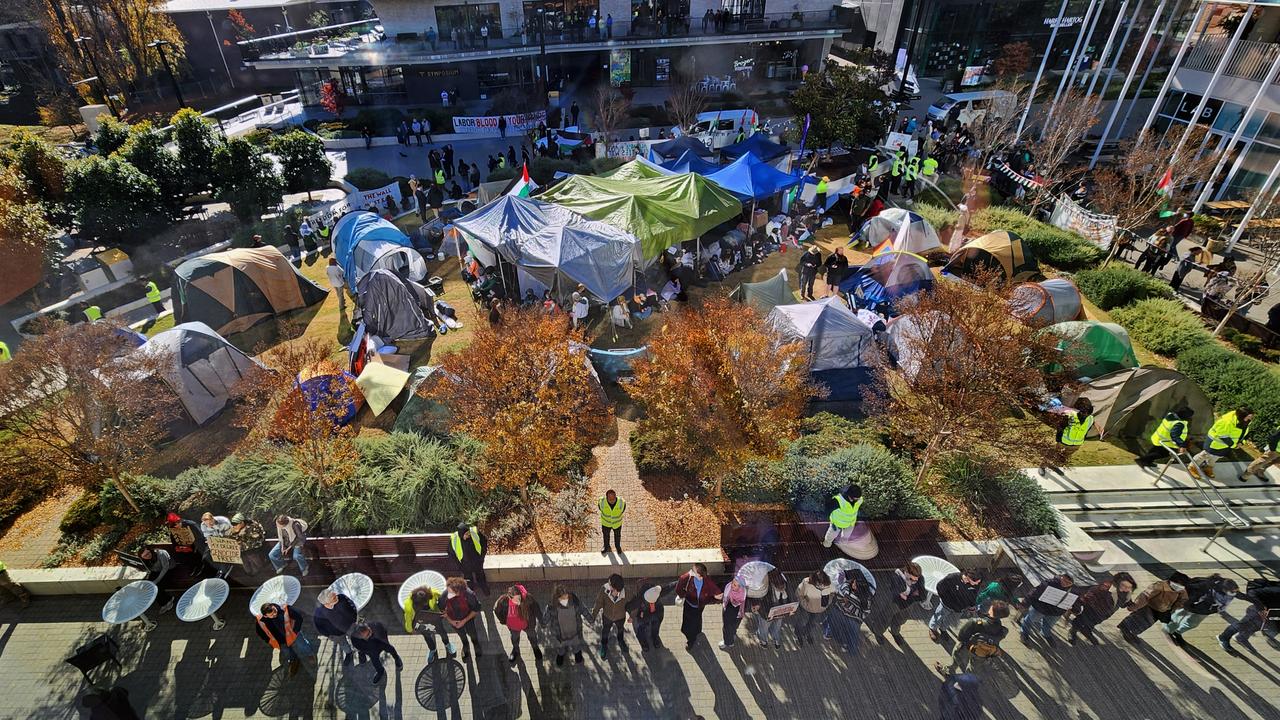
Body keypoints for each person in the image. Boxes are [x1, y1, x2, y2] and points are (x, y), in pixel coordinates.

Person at [936, 600, 1009, 676]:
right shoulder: (1001, 629)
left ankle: (948, 671)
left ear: (992, 610)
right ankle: (966, 681)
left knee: (957, 657)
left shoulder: (976, 622)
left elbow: (961, 636)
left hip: (967, 646)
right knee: (973, 668)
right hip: (983, 652)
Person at [1166, 574, 1239, 645]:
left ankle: (1178, 632)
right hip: (1191, 605)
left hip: (1204, 611)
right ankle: (1168, 630)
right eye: (1232, 591)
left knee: (1193, 623)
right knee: (1178, 616)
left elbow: (1238, 596)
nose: (1234, 593)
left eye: (1234, 591)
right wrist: (1188, 605)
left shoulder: (1228, 594)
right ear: (1223, 589)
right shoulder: (1206, 586)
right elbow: (1190, 589)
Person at [1119, 571, 1190, 643]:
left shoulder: (1181, 590)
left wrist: (1174, 608)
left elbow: (1183, 599)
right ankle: (1128, 631)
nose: (1179, 587)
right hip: (1149, 607)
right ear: (1171, 581)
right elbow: (1145, 596)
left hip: (1161, 610)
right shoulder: (1159, 586)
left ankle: (1129, 630)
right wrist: (1135, 606)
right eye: (1178, 584)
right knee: (1139, 619)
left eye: (1182, 586)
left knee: (1147, 623)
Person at [1069, 571, 1136, 644]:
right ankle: (1073, 632)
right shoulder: (1106, 586)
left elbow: (1124, 603)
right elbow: (1090, 594)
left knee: (1094, 622)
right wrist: (1081, 603)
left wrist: (1130, 604)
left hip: (1105, 613)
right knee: (1080, 621)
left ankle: (1087, 630)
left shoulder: (1126, 593)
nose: (1127, 588)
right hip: (1092, 609)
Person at [1191, 407, 1253, 480]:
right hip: (1214, 443)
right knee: (1204, 455)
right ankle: (1192, 467)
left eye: (1251, 416)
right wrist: (1234, 445)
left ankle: (1208, 467)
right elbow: (1223, 436)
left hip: (1226, 445)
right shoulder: (1227, 421)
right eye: (1249, 416)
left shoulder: (1246, 421)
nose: (1251, 418)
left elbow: (1244, 434)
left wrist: (1242, 442)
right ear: (1242, 416)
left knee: (1216, 457)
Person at [873, 561, 925, 642]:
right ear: (906, 572)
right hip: (894, 603)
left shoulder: (920, 578)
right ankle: (878, 632)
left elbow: (922, 596)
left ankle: (895, 632)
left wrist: (908, 596)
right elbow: (896, 592)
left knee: (901, 620)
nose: (913, 582)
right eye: (911, 579)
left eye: (916, 580)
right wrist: (911, 593)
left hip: (908, 605)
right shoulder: (897, 576)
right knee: (885, 618)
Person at [255, 602, 312, 676]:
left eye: (275, 611)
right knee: (288, 652)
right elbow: (260, 632)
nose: (275, 614)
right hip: (281, 641)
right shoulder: (261, 620)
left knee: (302, 645)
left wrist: (295, 631)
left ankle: (309, 655)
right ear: (265, 616)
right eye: (271, 615)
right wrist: (268, 640)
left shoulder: (285, 608)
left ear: (273, 606)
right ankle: (294, 661)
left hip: (293, 634)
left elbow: (299, 618)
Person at [674, 563, 722, 648]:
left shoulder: (708, 582)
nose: (690, 571)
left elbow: (717, 595)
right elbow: (678, 589)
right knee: (692, 620)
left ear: (700, 575)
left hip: (698, 606)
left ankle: (691, 640)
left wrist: (713, 599)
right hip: (690, 605)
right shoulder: (688, 578)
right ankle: (696, 631)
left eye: (693, 571)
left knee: (692, 621)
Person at [827, 568, 873, 656]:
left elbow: (865, 612)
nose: (853, 584)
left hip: (853, 619)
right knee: (836, 626)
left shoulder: (866, 599)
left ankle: (850, 649)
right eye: (854, 582)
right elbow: (839, 598)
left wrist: (849, 607)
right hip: (840, 611)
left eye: (856, 585)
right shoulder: (847, 586)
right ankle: (840, 640)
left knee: (851, 635)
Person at [1041, 398, 1093, 476]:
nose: (1085, 414)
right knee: (1054, 454)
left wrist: (1082, 440)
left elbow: (1086, 430)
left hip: (1076, 445)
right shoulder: (1070, 415)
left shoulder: (1090, 419)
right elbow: (1060, 427)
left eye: (1087, 411)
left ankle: (1054, 466)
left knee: (1063, 458)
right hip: (1063, 442)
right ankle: (1043, 466)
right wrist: (1059, 439)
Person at [1019, 573, 1075, 646]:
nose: (1065, 583)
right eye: (1064, 580)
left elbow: (1076, 601)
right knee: (1030, 620)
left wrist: (1073, 608)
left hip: (1056, 612)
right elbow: (1034, 592)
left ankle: (1045, 633)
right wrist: (1025, 603)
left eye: (1069, 583)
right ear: (1062, 577)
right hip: (1040, 608)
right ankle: (1024, 632)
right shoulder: (1049, 583)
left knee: (1049, 625)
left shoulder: (1073, 590)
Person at [930, 570, 983, 642]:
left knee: (950, 620)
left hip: (960, 609)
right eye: (976, 582)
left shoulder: (976, 584)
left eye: (978, 582)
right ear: (968, 578)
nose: (978, 584)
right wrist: (946, 599)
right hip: (946, 605)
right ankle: (933, 628)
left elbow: (973, 595)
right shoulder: (952, 578)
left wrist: (971, 606)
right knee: (939, 616)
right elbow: (940, 587)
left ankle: (943, 629)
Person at [495, 584, 542, 663]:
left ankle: (535, 649)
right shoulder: (504, 601)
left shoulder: (528, 598)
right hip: (513, 626)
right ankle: (516, 650)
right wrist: (503, 621)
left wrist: (541, 620)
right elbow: (497, 610)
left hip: (528, 625)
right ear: (510, 597)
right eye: (516, 599)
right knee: (514, 639)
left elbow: (536, 609)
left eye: (519, 598)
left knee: (532, 637)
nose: (519, 601)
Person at [545, 584, 589, 666]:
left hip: (574, 632)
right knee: (561, 647)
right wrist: (543, 622)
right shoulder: (552, 607)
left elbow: (583, 609)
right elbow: (546, 618)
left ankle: (577, 654)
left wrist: (590, 618)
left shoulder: (575, 602)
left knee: (576, 645)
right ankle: (561, 655)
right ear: (557, 598)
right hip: (561, 634)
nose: (565, 600)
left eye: (566, 597)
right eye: (562, 598)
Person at [404, 584, 449, 661]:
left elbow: (442, 597)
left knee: (442, 631)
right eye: (424, 603)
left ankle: (447, 644)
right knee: (427, 636)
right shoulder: (408, 605)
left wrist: (446, 609)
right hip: (421, 622)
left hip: (435, 618)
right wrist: (410, 630)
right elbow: (408, 619)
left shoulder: (432, 592)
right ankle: (432, 649)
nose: (426, 604)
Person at [350, 621, 402, 685]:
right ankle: (380, 671)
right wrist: (368, 652)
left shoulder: (376, 626)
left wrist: (384, 642)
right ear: (360, 637)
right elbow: (360, 647)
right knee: (375, 661)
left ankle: (397, 658)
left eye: (369, 631)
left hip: (381, 642)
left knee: (390, 649)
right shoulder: (354, 639)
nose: (370, 634)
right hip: (370, 650)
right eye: (367, 635)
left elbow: (384, 632)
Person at [443, 576, 482, 660]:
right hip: (454, 620)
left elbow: (475, 610)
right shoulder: (446, 592)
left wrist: (464, 621)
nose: (448, 593)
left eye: (451, 592)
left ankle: (476, 644)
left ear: (458, 592)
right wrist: (451, 621)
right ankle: (465, 645)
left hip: (468, 618)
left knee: (472, 633)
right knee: (461, 635)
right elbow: (442, 611)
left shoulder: (469, 594)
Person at [592, 573, 631, 657]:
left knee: (620, 630)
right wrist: (593, 615)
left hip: (620, 617)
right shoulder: (604, 589)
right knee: (605, 631)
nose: (607, 584)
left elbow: (633, 604)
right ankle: (604, 645)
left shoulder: (626, 592)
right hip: (607, 616)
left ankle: (621, 641)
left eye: (610, 584)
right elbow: (598, 603)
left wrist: (632, 616)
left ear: (616, 589)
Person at [314, 588, 358, 661]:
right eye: (333, 597)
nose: (336, 596)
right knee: (343, 644)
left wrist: (354, 619)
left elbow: (352, 605)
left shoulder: (342, 597)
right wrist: (330, 635)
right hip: (336, 634)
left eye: (334, 594)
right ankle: (349, 653)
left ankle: (360, 652)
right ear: (326, 603)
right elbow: (319, 627)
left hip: (350, 627)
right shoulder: (319, 613)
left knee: (356, 640)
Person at [753, 568, 791, 649]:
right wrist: (757, 605)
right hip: (767, 611)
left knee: (775, 626)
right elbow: (758, 597)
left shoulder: (783, 581)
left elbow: (788, 596)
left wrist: (790, 609)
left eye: (783, 587)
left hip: (777, 610)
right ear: (773, 584)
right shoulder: (765, 586)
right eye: (779, 588)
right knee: (766, 627)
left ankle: (773, 639)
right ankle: (765, 640)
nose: (782, 589)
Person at [794, 569, 834, 645]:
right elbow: (799, 593)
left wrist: (827, 603)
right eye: (819, 584)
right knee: (802, 622)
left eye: (823, 584)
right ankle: (798, 635)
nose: (821, 586)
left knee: (812, 623)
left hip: (819, 610)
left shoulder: (829, 583)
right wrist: (804, 604)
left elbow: (832, 594)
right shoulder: (806, 582)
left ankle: (807, 634)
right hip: (806, 608)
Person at [449, 522, 489, 595]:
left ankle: (484, 587)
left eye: (468, 533)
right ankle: (471, 592)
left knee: (480, 575)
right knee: (468, 578)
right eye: (466, 534)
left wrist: (482, 556)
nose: (468, 535)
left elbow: (484, 542)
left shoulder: (474, 533)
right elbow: (451, 553)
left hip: (477, 560)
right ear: (461, 534)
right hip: (465, 564)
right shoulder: (454, 539)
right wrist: (459, 565)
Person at [822, 484, 862, 548]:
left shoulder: (859, 499)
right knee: (829, 537)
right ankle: (826, 547)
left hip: (850, 524)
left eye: (858, 499)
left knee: (845, 539)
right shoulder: (837, 501)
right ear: (849, 496)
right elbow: (827, 510)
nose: (857, 501)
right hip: (836, 525)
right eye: (855, 499)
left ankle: (843, 547)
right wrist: (831, 522)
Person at [137, 547, 176, 614]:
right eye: (145, 556)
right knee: (149, 584)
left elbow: (165, 568)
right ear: (142, 557)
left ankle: (167, 602)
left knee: (157, 585)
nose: (148, 555)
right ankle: (166, 600)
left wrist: (156, 580)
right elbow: (150, 569)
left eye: (148, 552)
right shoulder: (145, 560)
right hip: (158, 570)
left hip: (169, 569)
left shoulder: (161, 553)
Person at [628, 584, 666, 651]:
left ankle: (655, 637)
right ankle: (643, 641)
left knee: (656, 626)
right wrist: (632, 617)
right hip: (644, 615)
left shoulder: (657, 592)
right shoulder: (640, 598)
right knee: (642, 627)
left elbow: (669, 587)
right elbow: (634, 607)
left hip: (656, 613)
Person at [719, 575, 749, 650]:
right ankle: (733, 634)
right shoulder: (730, 586)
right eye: (733, 582)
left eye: (735, 585)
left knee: (728, 628)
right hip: (734, 613)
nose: (732, 585)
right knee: (733, 628)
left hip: (734, 614)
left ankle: (728, 643)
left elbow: (732, 610)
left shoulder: (739, 597)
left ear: (740, 587)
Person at [599, 489, 625, 554]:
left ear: (615, 496)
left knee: (617, 536)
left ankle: (618, 547)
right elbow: (600, 508)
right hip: (606, 523)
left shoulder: (621, 502)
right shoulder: (601, 502)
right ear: (606, 498)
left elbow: (623, 510)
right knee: (606, 536)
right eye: (610, 499)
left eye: (613, 499)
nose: (612, 501)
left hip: (617, 524)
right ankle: (606, 546)